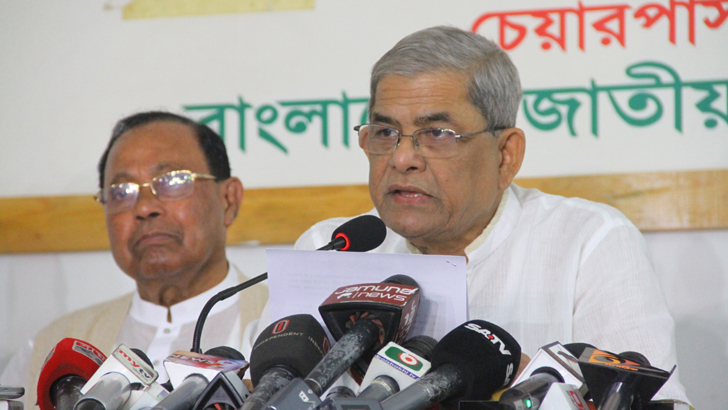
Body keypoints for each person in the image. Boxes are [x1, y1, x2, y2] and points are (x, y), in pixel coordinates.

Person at [294, 26, 690, 402]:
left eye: (437, 134)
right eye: (385, 133)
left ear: (505, 155)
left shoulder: (588, 242)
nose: (402, 159)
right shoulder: (327, 250)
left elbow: (646, 403)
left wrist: (526, 378)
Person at [0, 112, 268, 407]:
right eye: (121, 191)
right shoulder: (51, 350)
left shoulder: (288, 333)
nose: (144, 207)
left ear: (228, 199)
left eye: (172, 181)